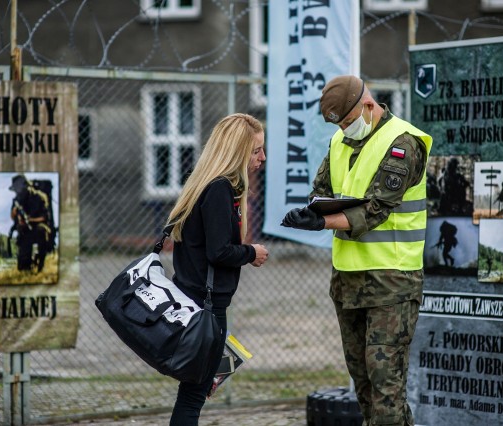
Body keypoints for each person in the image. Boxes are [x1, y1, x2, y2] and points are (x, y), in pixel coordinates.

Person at [281, 75, 432, 426]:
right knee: (364, 385)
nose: (345, 130)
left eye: (349, 122)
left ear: (368, 105)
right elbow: (322, 188)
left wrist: (323, 223)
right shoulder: (340, 141)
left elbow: (378, 208)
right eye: (340, 125)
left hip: (392, 283)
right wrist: (310, 211)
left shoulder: (403, 143)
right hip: (348, 282)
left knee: (386, 387)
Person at [165, 113, 269, 426]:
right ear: (236, 153)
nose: (262, 158)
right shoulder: (218, 190)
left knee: (193, 392)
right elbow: (219, 251)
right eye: (255, 151)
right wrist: (252, 252)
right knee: (193, 396)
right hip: (206, 308)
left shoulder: (206, 186)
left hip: (197, 301)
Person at [9, 174, 52, 272]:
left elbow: (45, 217)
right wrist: (16, 214)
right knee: (23, 268)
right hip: (25, 230)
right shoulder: (17, 200)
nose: (17, 192)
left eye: (18, 189)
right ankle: (27, 264)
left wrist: (30, 220)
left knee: (41, 231)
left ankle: (41, 264)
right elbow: (13, 217)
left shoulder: (39, 197)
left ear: (25, 186)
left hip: (39, 226)